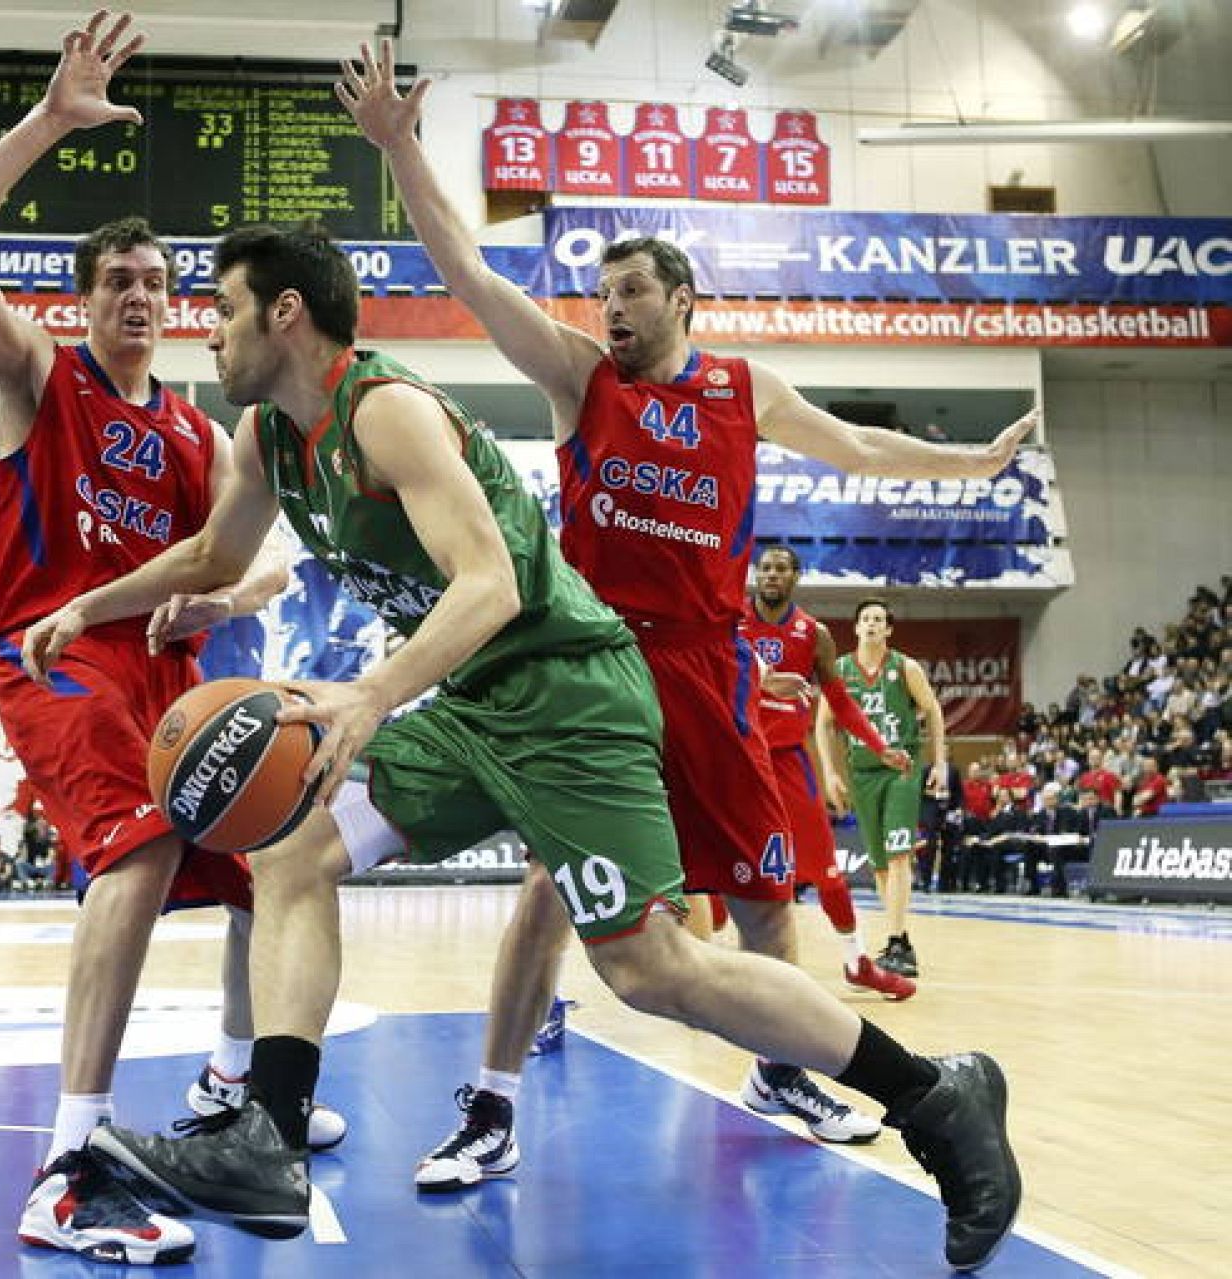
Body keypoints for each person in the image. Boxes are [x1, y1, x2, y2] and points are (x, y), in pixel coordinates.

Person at [15, 209, 1021, 1267]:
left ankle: (932, 1094)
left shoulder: (387, 412)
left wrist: (369, 694)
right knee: (290, 843)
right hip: (475, 704)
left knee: (651, 970)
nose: (204, 335)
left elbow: (489, 585)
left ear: (284, 314)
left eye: (220, 312)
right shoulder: (266, 436)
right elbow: (214, 552)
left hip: (570, 697)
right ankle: (269, 1134)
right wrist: (92, 607)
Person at [334, 40, 1036, 1187]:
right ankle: (494, 1101)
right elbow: (467, 272)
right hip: (590, 667)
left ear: (682, 299)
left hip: (706, 669)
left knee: (763, 885)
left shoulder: (742, 389)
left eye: (629, 293)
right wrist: (402, 147)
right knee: (553, 890)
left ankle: (779, 1064)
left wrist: (967, 459)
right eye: (601, 294)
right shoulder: (578, 379)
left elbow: (858, 444)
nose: (608, 310)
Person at [0, 12, 333, 1265]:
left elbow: (239, 572)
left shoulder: (206, 438)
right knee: (136, 854)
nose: (141, 298)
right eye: (118, 284)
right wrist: (50, 121)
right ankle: (67, 1164)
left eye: (157, 285)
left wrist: (225, 602)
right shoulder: (40, 377)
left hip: (164, 678)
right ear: (84, 302)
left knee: (280, 848)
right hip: (54, 653)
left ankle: (231, 1087)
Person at [741, 547, 916, 1000]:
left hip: (786, 760)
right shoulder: (731, 621)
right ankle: (720, 966)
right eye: (766, 568)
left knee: (826, 871)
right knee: (731, 872)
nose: (772, 575)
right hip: (739, 757)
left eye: (781, 568)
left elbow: (841, 705)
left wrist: (881, 747)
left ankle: (856, 960)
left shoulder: (812, 635)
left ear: (796, 577)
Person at [819, 600, 948, 976]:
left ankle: (894, 941)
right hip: (862, 774)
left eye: (879, 619)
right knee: (878, 866)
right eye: (866, 619)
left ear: (888, 630)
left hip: (901, 770)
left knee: (897, 856)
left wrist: (938, 762)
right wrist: (830, 773)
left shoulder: (905, 668)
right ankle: (901, 940)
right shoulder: (840, 669)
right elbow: (823, 724)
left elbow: (934, 709)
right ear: (856, 628)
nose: (872, 624)